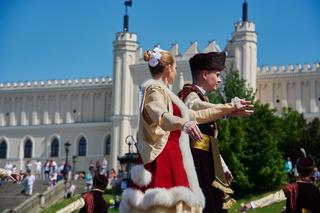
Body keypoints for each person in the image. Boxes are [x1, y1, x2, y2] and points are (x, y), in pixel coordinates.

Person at [120, 48, 249, 213]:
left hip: (176, 158)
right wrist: (184, 123)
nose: (176, 71)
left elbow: (195, 115)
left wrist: (228, 109)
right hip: (164, 158)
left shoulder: (167, 93)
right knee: (162, 206)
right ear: (168, 68)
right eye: (174, 67)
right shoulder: (154, 90)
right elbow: (162, 116)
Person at [178, 51, 253, 212]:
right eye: (217, 74)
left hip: (206, 162)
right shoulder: (190, 95)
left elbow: (209, 140)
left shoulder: (201, 97)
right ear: (205, 74)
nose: (220, 79)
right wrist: (229, 108)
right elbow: (197, 110)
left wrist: (222, 167)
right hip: (197, 165)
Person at [242, 149, 320, 212]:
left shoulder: (292, 188)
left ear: (298, 170)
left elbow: (275, 197)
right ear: (312, 171)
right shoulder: (316, 190)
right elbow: (307, 210)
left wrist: (252, 204)